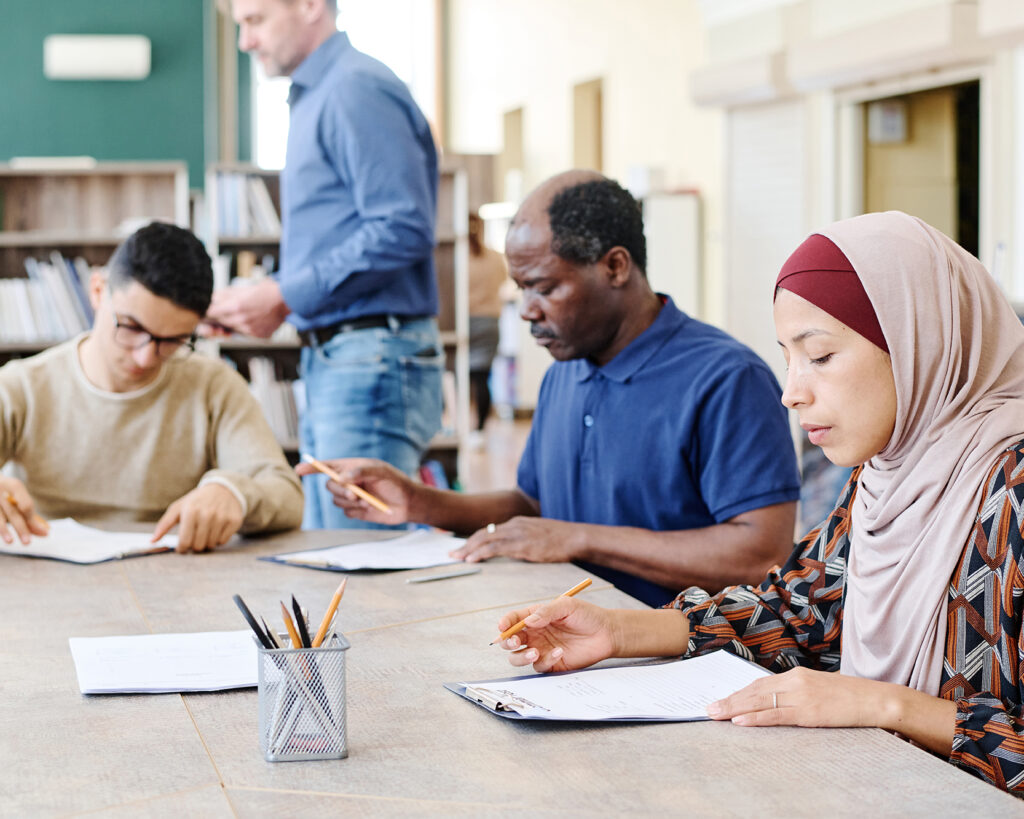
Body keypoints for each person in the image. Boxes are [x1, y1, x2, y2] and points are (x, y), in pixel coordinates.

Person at [494, 211, 1024, 796]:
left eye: (819, 356)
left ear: (919, 342)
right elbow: (803, 609)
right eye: (788, 357)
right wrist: (620, 633)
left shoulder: (1012, 488)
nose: (791, 392)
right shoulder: (888, 473)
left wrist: (885, 706)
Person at [296, 171, 801, 606]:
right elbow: (535, 507)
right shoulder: (568, 367)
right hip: (570, 643)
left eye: (545, 287)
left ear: (615, 267)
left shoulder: (726, 379)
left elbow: (759, 555)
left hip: (681, 661)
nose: (527, 309)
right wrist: (419, 502)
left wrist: (578, 540)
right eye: (521, 289)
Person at [208, 0, 443, 529]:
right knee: (334, 550)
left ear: (311, 6)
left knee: (358, 562)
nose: (246, 41)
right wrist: (273, 295)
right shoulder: (323, 93)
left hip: (369, 357)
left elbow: (402, 227)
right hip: (346, 356)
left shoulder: (353, 89)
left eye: (255, 19)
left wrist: (287, 294)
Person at [0, 222, 303, 552]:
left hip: (172, 578)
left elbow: (286, 494)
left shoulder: (214, 387)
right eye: (131, 327)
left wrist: (235, 494)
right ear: (98, 291)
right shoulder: (22, 385)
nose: (145, 357)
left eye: (172, 340)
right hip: (44, 572)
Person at [467, 210, 509, 440]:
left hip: (465, 322)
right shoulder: (494, 257)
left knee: (460, 378)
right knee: (482, 377)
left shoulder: (459, 257)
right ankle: (479, 431)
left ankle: (458, 424)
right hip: (490, 321)